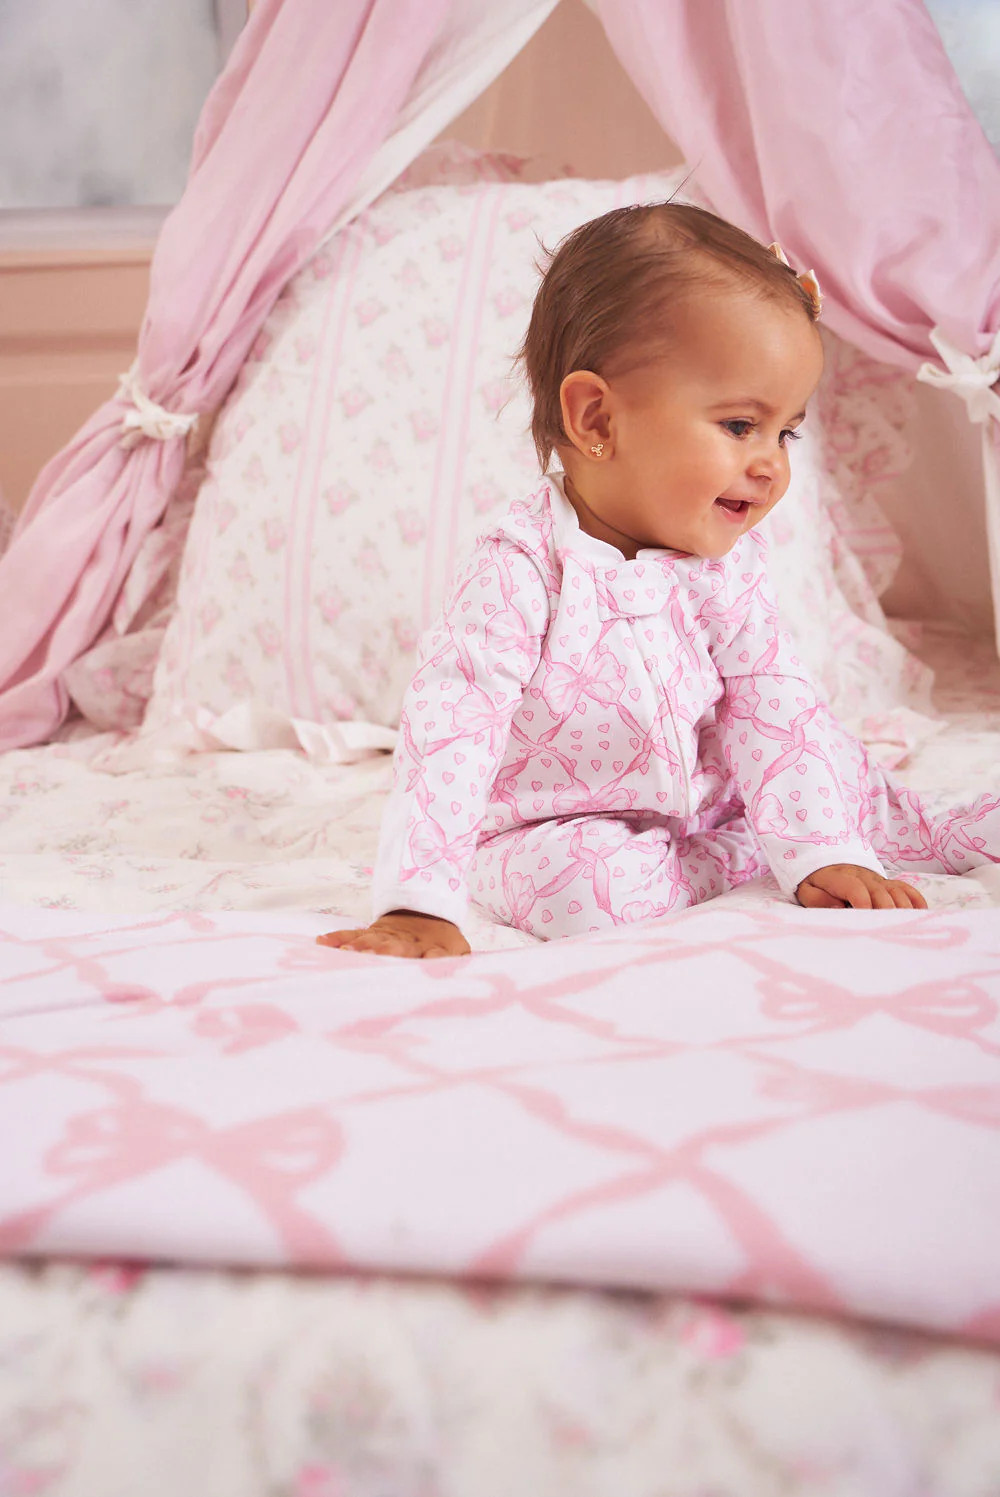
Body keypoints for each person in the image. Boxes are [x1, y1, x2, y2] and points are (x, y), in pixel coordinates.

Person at [318, 203, 1000, 959]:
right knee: (579, 892)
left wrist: (821, 847)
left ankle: (909, 829)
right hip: (560, 825)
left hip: (724, 798)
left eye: (786, 431)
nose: (772, 463)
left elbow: (773, 703)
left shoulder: (728, 568)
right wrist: (418, 903)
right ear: (597, 420)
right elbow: (452, 730)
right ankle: (750, 853)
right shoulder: (520, 571)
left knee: (821, 753)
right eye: (740, 426)